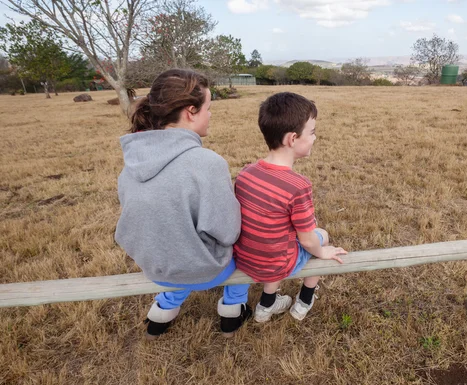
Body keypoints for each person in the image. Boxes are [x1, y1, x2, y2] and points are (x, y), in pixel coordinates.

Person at [114, 69, 251, 339]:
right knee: (247, 246)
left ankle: (162, 312)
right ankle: (233, 310)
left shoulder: (131, 163)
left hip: (155, 268)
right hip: (205, 271)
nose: (210, 115)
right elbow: (228, 232)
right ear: (191, 111)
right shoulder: (208, 163)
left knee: (174, 237)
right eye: (208, 108)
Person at [230, 92, 347, 323]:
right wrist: (322, 251)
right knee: (320, 237)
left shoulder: (246, 173)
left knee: (276, 239)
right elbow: (306, 240)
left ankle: (267, 304)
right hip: (275, 265)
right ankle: (305, 299)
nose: (315, 138)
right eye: (312, 132)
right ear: (293, 139)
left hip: (246, 258)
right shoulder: (297, 186)